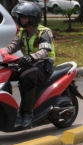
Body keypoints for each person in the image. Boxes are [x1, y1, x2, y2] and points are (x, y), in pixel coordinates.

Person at [0, 1, 55, 130]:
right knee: (6, 73)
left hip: (43, 66)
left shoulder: (44, 32)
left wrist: (31, 57)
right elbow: (12, 46)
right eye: (20, 17)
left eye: (24, 17)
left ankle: (27, 113)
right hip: (28, 64)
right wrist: (3, 52)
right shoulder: (23, 32)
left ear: (33, 17)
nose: (21, 20)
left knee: (26, 78)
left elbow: (44, 51)